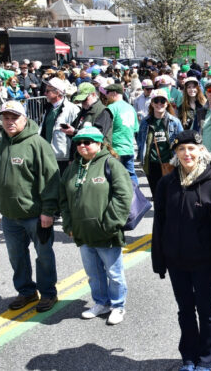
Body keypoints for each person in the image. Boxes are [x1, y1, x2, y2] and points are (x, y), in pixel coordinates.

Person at [152, 129, 211, 371]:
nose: (187, 154)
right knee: (185, 310)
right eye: (181, 149)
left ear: (201, 151)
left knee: (206, 311)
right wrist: (159, 260)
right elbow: (159, 224)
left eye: (191, 149)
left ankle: (206, 360)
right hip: (176, 261)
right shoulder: (166, 183)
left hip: (203, 262)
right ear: (175, 153)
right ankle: (189, 357)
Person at [0, 101, 60, 312]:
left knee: (44, 256)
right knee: (17, 257)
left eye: (14, 118)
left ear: (25, 119)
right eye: (6, 118)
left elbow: (51, 180)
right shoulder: (0, 144)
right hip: (10, 215)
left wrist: (48, 211)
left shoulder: (38, 144)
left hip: (35, 215)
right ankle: (26, 292)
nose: (9, 122)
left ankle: (48, 293)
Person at [59, 126, 133, 325]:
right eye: (79, 142)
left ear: (99, 143)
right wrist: (68, 225)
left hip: (107, 232)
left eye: (87, 142)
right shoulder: (73, 167)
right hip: (82, 232)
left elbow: (123, 195)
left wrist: (110, 223)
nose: (82, 146)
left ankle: (118, 306)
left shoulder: (111, 164)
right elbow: (63, 199)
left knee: (114, 273)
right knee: (94, 274)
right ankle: (101, 303)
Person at [137, 89, 183, 196]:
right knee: (157, 196)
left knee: (171, 196)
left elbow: (181, 142)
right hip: (152, 164)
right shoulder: (145, 122)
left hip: (171, 163)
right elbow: (140, 141)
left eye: (162, 101)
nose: (159, 104)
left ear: (167, 103)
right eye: (156, 101)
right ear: (152, 103)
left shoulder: (175, 122)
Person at [40, 77, 80, 175]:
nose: (45, 93)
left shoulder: (72, 109)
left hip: (64, 157)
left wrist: (72, 157)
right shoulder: (49, 108)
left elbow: (77, 135)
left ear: (57, 92)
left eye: (48, 91)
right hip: (48, 155)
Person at [104, 83, 140, 184]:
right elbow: (135, 128)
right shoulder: (131, 108)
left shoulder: (111, 108)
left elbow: (106, 129)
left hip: (115, 149)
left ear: (114, 93)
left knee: (115, 176)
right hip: (128, 147)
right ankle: (136, 197)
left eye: (108, 93)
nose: (106, 95)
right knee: (131, 174)